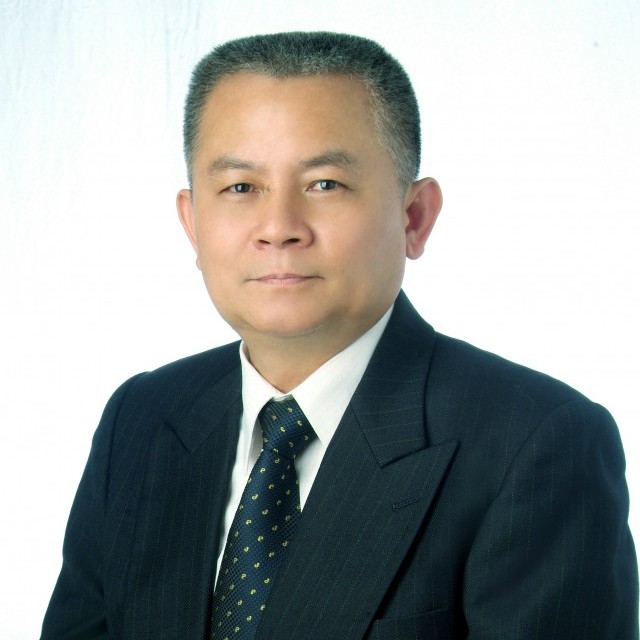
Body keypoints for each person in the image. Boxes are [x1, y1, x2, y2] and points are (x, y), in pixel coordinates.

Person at [41, 32, 638, 639]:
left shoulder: (538, 444)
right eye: (241, 187)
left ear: (414, 217)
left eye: (324, 184)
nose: (278, 227)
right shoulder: (142, 419)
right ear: (193, 224)